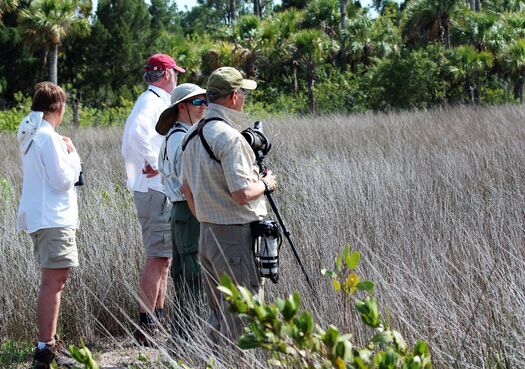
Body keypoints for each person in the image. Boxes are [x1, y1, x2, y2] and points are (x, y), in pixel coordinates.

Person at [180, 67, 277, 346]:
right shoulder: (229, 137)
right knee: (244, 316)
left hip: (207, 235)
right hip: (235, 237)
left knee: (219, 314)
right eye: (243, 93)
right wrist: (268, 182)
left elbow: (186, 190)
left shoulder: (191, 135)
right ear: (234, 96)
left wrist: (209, 219)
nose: (244, 99)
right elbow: (242, 192)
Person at [16, 82, 82, 369]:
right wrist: (74, 154)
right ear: (59, 107)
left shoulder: (31, 136)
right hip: (54, 219)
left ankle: (48, 343)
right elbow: (63, 179)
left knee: (52, 280)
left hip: (40, 217)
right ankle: (45, 349)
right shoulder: (49, 138)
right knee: (54, 282)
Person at [121, 53, 185, 344]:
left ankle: (157, 317)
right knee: (157, 258)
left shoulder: (155, 100)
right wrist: (152, 163)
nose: (177, 78)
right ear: (166, 74)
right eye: (175, 73)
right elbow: (135, 135)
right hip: (154, 190)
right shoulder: (151, 102)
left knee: (164, 258)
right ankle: (146, 324)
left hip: (156, 190)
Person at [155, 83, 207, 339]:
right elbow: (188, 186)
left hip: (178, 212)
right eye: (198, 102)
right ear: (182, 107)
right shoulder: (183, 138)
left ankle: (182, 338)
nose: (204, 106)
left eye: (205, 101)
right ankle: (189, 340)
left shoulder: (173, 136)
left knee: (184, 277)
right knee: (193, 277)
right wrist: (203, 216)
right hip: (188, 211)